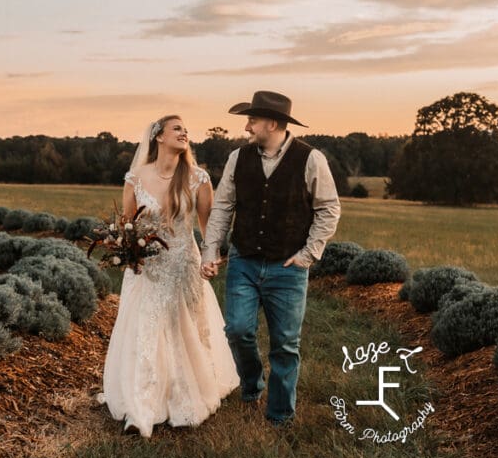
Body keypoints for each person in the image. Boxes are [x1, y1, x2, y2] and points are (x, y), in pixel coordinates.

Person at [200, 91, 341, 427]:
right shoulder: (238, 158)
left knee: (285, 345)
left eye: (253, 119)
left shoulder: (311, 159)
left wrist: (308, 254)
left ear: (272, 123)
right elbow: (222, 206)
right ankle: (251, 386)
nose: (248, 126)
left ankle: (279, 417)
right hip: (244, 261)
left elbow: (329, 208)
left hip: (288, 268)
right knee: (237, 329)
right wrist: (211, 250)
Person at [98, 114, 240, 437]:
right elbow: (127, 226)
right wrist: (128, 253)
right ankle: (140, 410)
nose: (184, 133)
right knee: (146, 331)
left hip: (183, 264)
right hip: (147, 269)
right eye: (177, 128)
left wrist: (210, 258)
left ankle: (184, 393)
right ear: (158, 137)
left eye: (186, 130)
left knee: (182, 330)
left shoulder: (198, 178)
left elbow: (209, 229)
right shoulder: (136, 177)